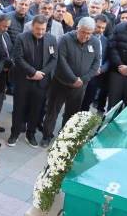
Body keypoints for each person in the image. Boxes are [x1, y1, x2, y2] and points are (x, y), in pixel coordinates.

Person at [41, 17, 100, 147]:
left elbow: (96, 63)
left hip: (80, 86)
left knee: (72, 113)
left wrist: (82, 80)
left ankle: (64, 137)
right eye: (84, 32)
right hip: (60, 82)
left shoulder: (95, 42)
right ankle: (46, 136)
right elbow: (61, 60)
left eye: (90, 33)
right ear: (77, 28)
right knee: (52, 111)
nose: (86, 36)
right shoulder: (66, 39)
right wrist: (73, 79)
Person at [10, 15, 58, 147]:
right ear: (32, 26)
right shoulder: (22, 38)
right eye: (38, 29)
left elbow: (54, 59)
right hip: (23, 80)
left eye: (43, 29)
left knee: (36, 109)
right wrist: (33, 72)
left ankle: (30, 134)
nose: (40, 32)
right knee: (18, 107)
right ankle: (14, 133)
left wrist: (41, 74)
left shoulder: (51, 39)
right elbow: (18, 58)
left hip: (41, 82)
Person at [81, 15, 110, 113]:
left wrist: (102, 69)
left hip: (96, 77)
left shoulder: (105, 41)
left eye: (103, 28)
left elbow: (108, 59)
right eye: (98, 27)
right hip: (84, 74)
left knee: (87, 103)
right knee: (75, 103)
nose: (100, 30)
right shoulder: (85, 38)